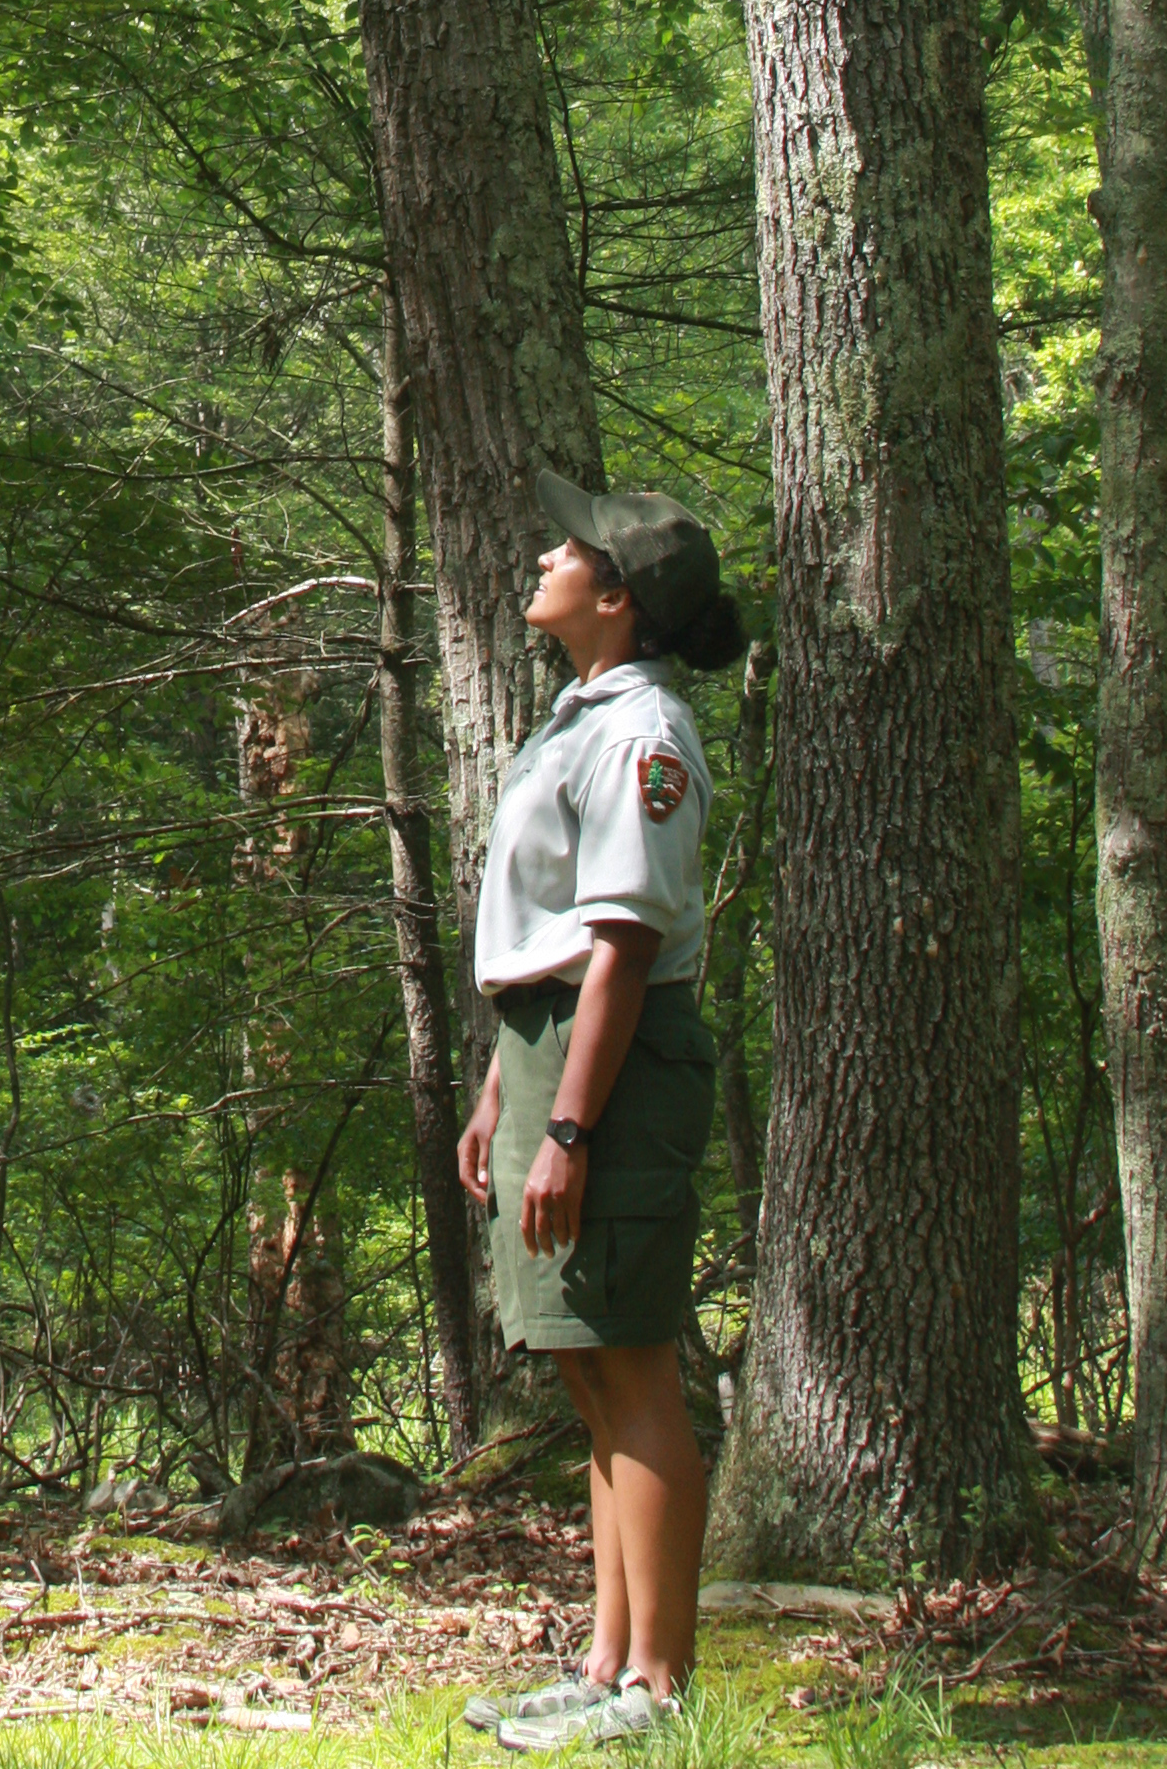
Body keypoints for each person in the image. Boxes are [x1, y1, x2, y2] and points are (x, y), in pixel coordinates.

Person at [457, 470, 747, 1751]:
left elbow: (623, 943)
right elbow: (546, 933)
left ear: (616, 597)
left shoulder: (644, 734)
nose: (542, 554)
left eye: (567, 549)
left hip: (610, 1063)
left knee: (634, 1367)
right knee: (587, 1371)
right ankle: (605, 1661)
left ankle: (659, 1690)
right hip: (550, 1051)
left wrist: (569, 1125)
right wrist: (499, 1094)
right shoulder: (576, 716)